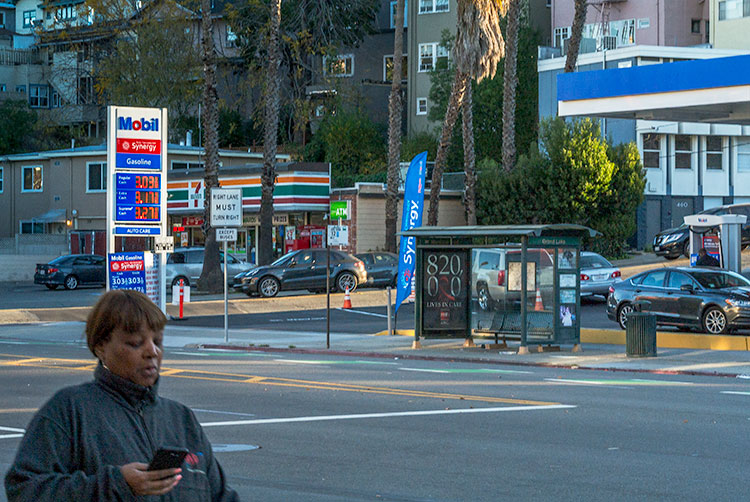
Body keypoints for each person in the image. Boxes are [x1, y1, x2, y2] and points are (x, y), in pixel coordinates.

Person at [4, 289, 240, 502]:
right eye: (136, 343)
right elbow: (24, 490)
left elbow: (221, 494)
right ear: (101, 347)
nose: (152, 351)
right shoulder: (70, 410)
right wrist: (116, 485)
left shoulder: (182, 419)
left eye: (157, 341)